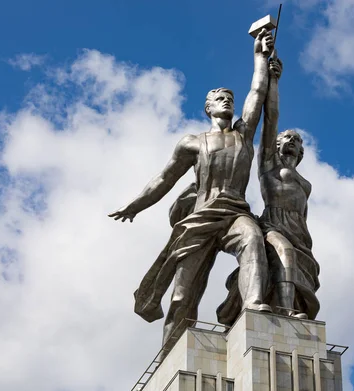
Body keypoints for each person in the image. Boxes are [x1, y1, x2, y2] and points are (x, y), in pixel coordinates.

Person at [109, 29, 274, 358]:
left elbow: (257, 92)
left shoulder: (244, 134)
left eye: (230, 97)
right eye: (220, 98)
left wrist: (260, 56)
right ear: (208, 108)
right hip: (200, 220)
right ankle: (169, 356)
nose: (227, 100)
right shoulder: (192, 142)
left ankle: (254, 306)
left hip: (234, 214)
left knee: (253, 239)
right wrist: (136, 205)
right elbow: (164, 178)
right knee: (183, 296)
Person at [217, 56, 320, 325]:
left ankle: (288, 307)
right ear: (276, 145)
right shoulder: (269, 166)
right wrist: (274, 80)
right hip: (273, 223)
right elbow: (271, 116)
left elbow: (304, 211)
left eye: (295, 140)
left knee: (293, 265)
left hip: (300, 230)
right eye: (285, 139)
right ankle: (286, 311)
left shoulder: (303, 180)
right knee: (283, 252)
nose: (290, 141)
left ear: (301, 151)